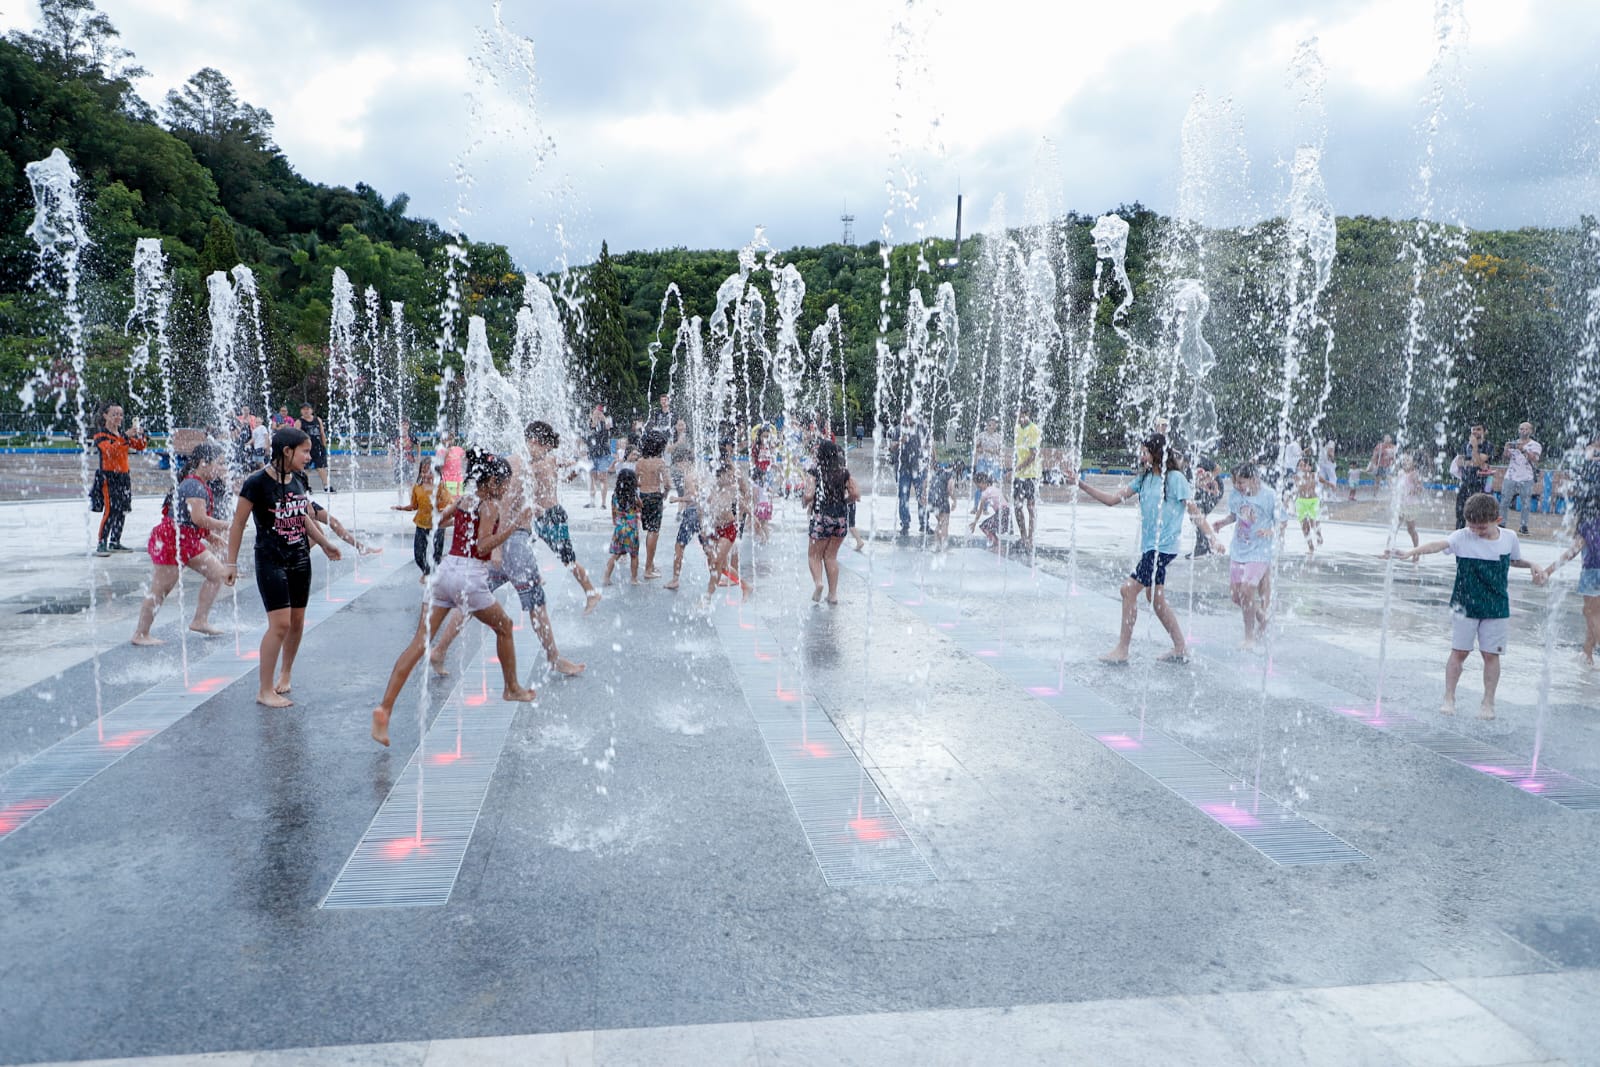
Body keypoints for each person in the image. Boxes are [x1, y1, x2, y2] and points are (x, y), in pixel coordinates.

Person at [370, 452, 538, 746]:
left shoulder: (464, 500)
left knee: (418, 643)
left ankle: (385, 709)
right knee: (505, 627)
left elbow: (439, 521)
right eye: (505, 483)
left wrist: (459, 527)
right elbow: (483, 544)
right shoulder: (488, 505)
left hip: (444, 572)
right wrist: (513, 526)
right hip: (469, 577)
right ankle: (511, 687)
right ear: (495, 480)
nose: (506, 489)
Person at [1065, 433, 1217, 664]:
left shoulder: (1175, 479)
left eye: (1144, 451)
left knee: (1128, 590)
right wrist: (1081, 484)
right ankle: (1180, 647)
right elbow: (1111, 500)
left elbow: (1194, 511)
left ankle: (1122, 650)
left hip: (1162, 548)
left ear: (1156, 454)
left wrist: (1212, 538)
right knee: (1155, 599)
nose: (1141, 456)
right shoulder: (1144, 479)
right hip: (1151, 548)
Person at [1390, 492, 1544, 719]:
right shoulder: (1462, 536)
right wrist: (1410, 552)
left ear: (1497, 521)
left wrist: (1532, 564)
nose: (1476, 532)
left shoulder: (1509, 537)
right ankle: (1449, 697)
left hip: (1496, 606)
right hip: (1465, 604)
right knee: (1459, 652)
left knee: (1491, 655)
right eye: (1472, 526)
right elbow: (1437, 544)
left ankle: (1488, 701)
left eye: (1481, 528)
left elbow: (1513, 560)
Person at [224, 428, 343, 708]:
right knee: (280, 625)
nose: (309, 456)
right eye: (304, 451)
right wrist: (230, 562)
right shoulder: (256, 483)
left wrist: (324, 543)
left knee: (298, 622)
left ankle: (285, 672)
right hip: (270, 559)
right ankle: (264, 690)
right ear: (287, 451)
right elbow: (238, 523)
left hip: (299, 558)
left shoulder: (299, 478)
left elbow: (302, 516)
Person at [131, 443, 233, 645]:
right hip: (172, 539)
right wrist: (227, 525)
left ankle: (200, 620)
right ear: (204, 463)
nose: (222, 468)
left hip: (186, 539)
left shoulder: (198, 483)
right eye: (219, 464)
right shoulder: (194, 485)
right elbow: (198, 518)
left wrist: (211, 536)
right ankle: (141, 634)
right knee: (160, 589)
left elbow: (189, 519)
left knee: (217, 574)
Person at [523, 421, 602, 612]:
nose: (526, 447)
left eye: (528, 443)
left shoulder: (542, 462)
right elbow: (575, 465)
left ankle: (591, 592)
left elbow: (574, 465)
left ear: (536, 442)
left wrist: (574, 471)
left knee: (568, 559)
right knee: (521, 543)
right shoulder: (547, 461)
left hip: (552, 516)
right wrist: (572, 475)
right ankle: (534, 576)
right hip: (539, 517)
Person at [1206, 463, 1280, 651]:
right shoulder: (1237, 495)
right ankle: (1263, 618)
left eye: (1241, 482)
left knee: (1247, 589)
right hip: (1239, 550)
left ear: (1254, 479)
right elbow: (1235, 515)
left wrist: (1270, 530)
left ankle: (1249, 637)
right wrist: (1222, 523)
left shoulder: (1269, 496)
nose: (1237, 486)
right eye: (1235, 482)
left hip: (1260, 551)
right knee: (1236, 596)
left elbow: (1282, 522)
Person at [1538, 496, 1600, 669]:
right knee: (1594, 615)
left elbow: (1572, 552)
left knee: (1592, 615)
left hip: (1593, 573)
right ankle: (1587, 654)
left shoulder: (1588, 524)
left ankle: (1588, 653)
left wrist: (1548, 571)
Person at [804, 440, 860, 604]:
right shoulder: (844, 472)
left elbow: (809, 495)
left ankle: (819, 583)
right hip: (841, 518)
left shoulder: (815, 472)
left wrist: (805, 501)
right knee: (831, 556)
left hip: (822, 516)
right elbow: (855, 493)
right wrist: (845, 501)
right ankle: (833, 595)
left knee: (814, 555)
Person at [90, 402, 148, 555]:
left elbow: (140, 446)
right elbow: (109, 451)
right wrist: (125, 436)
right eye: (114, 414)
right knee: (110, 510)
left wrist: (141, 434)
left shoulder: (121, 435)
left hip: (123, 475)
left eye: (120, 414)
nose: (118, 417)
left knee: (122, 509)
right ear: (105, 416)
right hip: (108, 476)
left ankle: (115, 541)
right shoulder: (101, 435)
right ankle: (101, 542)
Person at [702, 461, 754, 602]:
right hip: (715, 529)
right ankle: (746, 586)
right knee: (723, 566)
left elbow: (745, 506)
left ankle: (707, 597)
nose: (730, 477)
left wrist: (746, 519)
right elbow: (705, 508)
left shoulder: (732, 489)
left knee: (716, 561)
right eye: (727, 474)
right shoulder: (712, 489)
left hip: (729, 529)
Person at [392, 458, 451, 574]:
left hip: (437, 526)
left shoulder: (440, 488)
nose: (425, 475)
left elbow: (447, 507)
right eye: (423, 472)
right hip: (421, 525)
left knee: (436, 556)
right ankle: (428, 573)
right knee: (418, 555)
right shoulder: (417, 488)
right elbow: (414, 506)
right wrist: (403, 508)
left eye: (429, 472)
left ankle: (434, 577)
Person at [664, 464, 710, 592]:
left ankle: (675, 580)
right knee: (707, 548)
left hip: (692, 513)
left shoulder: (689, 476)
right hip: (702, 513)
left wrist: (677, 499)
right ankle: (715, 576)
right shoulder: (700, 473)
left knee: (679, 546)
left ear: (684, 461)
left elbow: (693, 497)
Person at [635, 431, 672, 578]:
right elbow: (668, 484)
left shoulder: (639, 462)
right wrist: (665, 495)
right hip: (655, 496)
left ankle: (650, 564)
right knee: (653, 531)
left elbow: (634, 481)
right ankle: (648, 569)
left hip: (643, 497)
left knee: (648, 531)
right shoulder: (660, 462)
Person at [1500, 421, 1543, 534]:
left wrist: (1523, 449)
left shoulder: (1535, 445)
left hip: (1526, 477)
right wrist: (1506, 449)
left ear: (1531, 431)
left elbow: (1535, 459)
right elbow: (1505, 459)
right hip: (1510, 476)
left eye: (1526, 429)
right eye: (1521, 429)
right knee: (1504, 500)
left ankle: (1524, 525)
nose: (1523, 431)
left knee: (1525, 503)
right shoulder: (1513, 443)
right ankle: (1501, 523)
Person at [603, 468, 642, 586]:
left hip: (620, 528)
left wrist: (615, 521)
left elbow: (613, 512)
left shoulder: (615, 496)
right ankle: (634, 579)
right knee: (634, 555)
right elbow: (640, 506)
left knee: (616, 554)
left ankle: (606, 577)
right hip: (631, 529)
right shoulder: (634, 496)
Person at [891, 413, 927, 537]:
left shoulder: (920, 428)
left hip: (918, 466)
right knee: (903, 496)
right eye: (905, 417)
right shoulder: (897, 430)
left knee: (921, 494)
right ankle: (905, 524)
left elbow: (929, 444)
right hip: (903, 468)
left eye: (910, 417)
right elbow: (891, 448)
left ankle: (924, 523)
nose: (907, 419)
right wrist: (901, 441)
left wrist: (931, 459)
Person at [1012, 405, 1042, 550]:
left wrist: (1017, 467)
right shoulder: (1017, 428)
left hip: (1031, 474)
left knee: (1030, 507)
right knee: (1017, 506)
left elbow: (1032, 455)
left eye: (1019, 415)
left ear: (1026, 414)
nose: (1017, 418)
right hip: (1019, 475)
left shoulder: (1034, 430)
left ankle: (1030, 538)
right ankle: (1023, 536)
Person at [1454, 422, 1491, 529]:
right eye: (1473, 429)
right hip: (1466, 483)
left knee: (1478, 514)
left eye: (1478, 429)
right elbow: (1459, 462)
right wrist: (1475, 462)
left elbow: (1477, 462)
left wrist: (1475, 447)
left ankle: (1477, 537)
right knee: (1460, 512)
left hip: (1480, 485)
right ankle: (1459, 536)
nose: (1475, 432)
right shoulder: (1465, 445)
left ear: (1485, 432)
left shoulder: (1488, 446)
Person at [1186, 457, 1222, 558]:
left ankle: (1203, 546)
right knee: (1196, 516)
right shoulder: (1180, 468)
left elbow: (1218, 468)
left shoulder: (1197, 459)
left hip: (1214, 489)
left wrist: (1206, 481)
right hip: (1201, 491)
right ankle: (1203, 545)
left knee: (1198, 515)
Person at [970, 470, 1010, 551]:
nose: (979, 489)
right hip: (1006, 513)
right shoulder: (995, 488)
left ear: (983, 482)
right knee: (989, 527)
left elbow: (979, 510)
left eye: (979, 486)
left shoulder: (985, 493)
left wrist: (974, 523)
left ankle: (997, 545)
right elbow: (1006, 499)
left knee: (984, 527)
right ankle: (997, 545)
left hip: (1002, 513)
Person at [1393, 453, 1425, 552]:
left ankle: (1416, 550)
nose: (1404, 462)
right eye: (1404, 460)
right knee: (1394, 527)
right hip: (1401, 504)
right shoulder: (1401, 473)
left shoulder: (1414, 474)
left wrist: (1414, 490)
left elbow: (1420, 489)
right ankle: (1388, 548)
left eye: (1408, 460)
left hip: (1411, 505)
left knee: (1410, 529)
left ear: (1413, 463)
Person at [1293, 456, 1323, 556]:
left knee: (1313, 522)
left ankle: (1318, 535)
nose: (1302, 468)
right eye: (1300, 466)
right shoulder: (1296, 477)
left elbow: (1322, 480)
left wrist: (1330, 484)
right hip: (1301, 502)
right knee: (1304, 526)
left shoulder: (1314, 475)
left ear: (1309, 467)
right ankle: (1310, 547)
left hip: (1313, 501)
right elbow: (1297, 487)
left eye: (1304, 465)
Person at [586, 405, 614, 507]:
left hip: (603, 453)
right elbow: (586, 438)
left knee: (603, 477)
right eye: (595, 412)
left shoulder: (606, 422)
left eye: (599, 412)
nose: (597, 414)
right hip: (592, 453)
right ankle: (592, 501)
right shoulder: (589, 425)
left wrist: (603, 420)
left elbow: (609, 431)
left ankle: (603, 503)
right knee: (592, 477)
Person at [298, 403, 331, 491]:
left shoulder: (317, 420)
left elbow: (322, 433)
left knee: (321, 467)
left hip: (318, 447)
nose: (306, 411)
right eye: (304, 409)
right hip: (305, 448)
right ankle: (306, 486)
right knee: (306, 468)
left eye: (307, 409)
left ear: (311, 410)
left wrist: (324, 446)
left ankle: (326, 486)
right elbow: (295, 435)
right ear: (301, 411)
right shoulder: (299, 422)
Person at [973, 416, 1003, 509]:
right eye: (990, 424)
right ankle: (975, 506)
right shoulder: (981, 435)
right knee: (980, 483)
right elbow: (976, 448)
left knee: (989, 484)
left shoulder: (998, 437)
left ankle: (985, 507)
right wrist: (980, 449)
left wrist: (992, 451)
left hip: (993, 462)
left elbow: (1000, 452)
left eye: (994, 425)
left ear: (996, 426)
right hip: (982, 461)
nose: (991, 426)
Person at [927, 462, 954, 551]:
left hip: (932, 501)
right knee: (945, 523)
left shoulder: (935, 474)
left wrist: (923, 496)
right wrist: (955, 500)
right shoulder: (950, 474)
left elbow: (925, 483)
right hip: (942, 500)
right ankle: (943, 546)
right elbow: (950, 489)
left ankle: (937, 545)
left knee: (940, 522)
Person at [390, 419, 417, 504]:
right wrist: (389, 457)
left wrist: (418, 456)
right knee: (399, 482)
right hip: (399, 461)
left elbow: (418, 444)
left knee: (410, 483)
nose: (404, 427)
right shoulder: (396, 436)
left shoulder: (411, 436)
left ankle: (411, 501)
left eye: (406, 425)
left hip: (409, 461)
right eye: (403, 425)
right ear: (399, 426)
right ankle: (400, 501)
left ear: (408, 426)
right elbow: (391, 448)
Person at [438, 429, 465, 498]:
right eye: (446, 439)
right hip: (448, 480)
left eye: (450, 439)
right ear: (441, 440)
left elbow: (466, 458)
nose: (448, 442)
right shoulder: (441, 451)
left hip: (459, 480)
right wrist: (446, 454)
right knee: (450, 501)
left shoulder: (458, 449)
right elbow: (440, 466)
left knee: (459, 500)